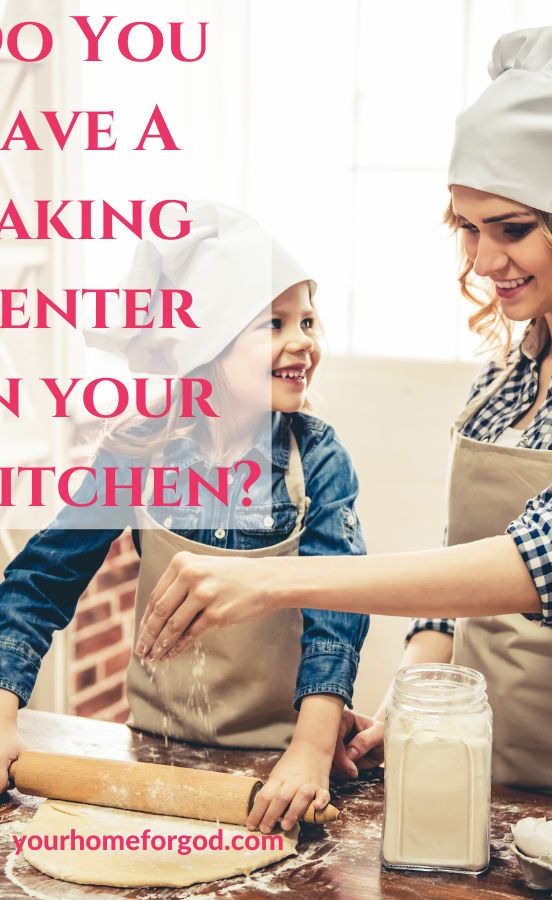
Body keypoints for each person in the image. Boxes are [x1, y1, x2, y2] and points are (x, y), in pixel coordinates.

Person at [136, 28, 552, 790]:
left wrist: (275, 582)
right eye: (469, 228)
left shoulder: (312, 458)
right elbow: (463, 573)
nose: (485, 262)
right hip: (475, 769)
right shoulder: (504, 379)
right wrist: (412, 701)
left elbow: (535, 559)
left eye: (513, 229)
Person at [0, 202, 370, 835]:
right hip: (153, 753)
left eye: (308, 319)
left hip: (279, 767)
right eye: (274, 323)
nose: (303, 341)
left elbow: (337, 612)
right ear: (209, 346)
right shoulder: (139, 451)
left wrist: (311, 746)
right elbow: (39, 582)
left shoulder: (318, 459)